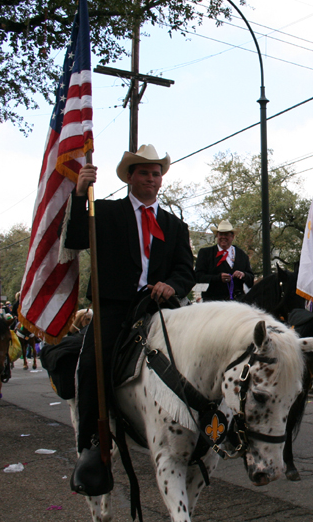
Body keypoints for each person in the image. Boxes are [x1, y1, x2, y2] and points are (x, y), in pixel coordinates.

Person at [62, 144, 195, 493]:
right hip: (116, 306)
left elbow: (186, 269)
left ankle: (211, 425)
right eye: (144, 173)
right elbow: (75, 238)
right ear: (130, 177)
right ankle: (91, 444)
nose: (151, 179)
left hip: (159, 307)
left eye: (156, 174)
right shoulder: (104, 212)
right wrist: (79, 193)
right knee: (92, 363)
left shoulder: (175, 225)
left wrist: (173, 284)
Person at [194, 220, 254, 301]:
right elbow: (198, 277)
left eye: (226, 234)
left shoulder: (242, 254)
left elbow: (251, 279)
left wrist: (243, 275)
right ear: (217, 236)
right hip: (213, 301)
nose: (223, 237)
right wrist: (218, 278)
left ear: (232, 237)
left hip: (237, 301)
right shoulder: (206, 253)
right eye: (220, 234)